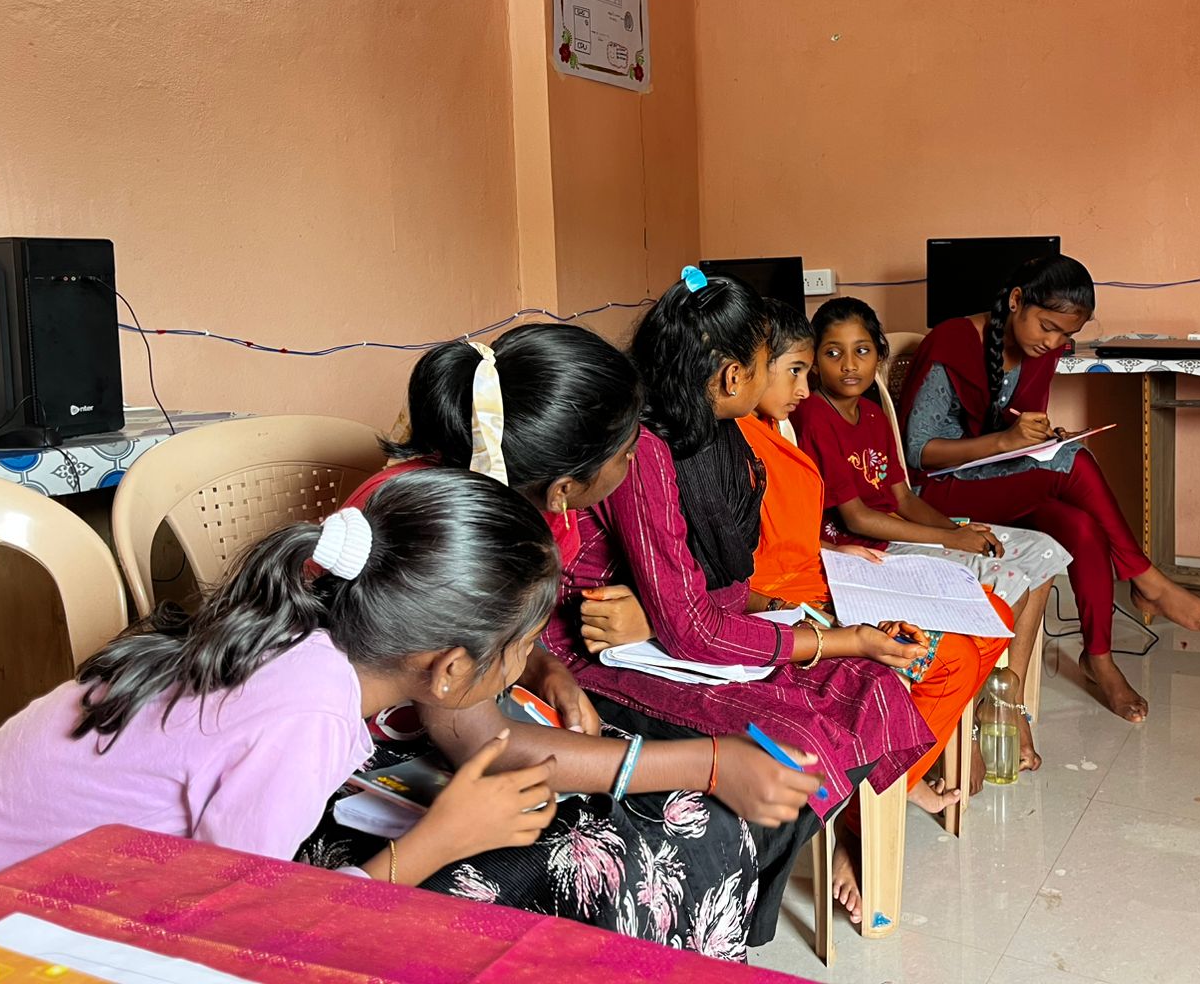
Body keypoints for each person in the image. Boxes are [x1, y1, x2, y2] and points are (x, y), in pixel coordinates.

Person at [303, 325, 825, 958]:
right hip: (357, 769)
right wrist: (710, 762)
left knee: (693, 820)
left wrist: (543, 667)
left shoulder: (503, 498)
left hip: (454, 713)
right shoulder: (447, 539)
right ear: (564, 490)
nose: (634, 467)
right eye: (626, 454)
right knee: (613, 860)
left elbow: (482, 652)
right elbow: (484, 743)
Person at [0, 469, 562, 890]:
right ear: (450, 669)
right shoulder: (306, 714)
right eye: (525, 645)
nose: (528, 661)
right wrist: (442, 839)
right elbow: (239, 913)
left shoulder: (291, 626)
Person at [546, 269, 933, 924]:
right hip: (598, 652)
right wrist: (840, 638)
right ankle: (762, 896)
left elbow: (712, 591)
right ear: (732, 378)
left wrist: (801, 626)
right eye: (769, 365)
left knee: (871, 684)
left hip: (664, 630)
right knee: (801, 735)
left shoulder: (715, 438)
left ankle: (843, 840)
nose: (791, 384)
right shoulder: (643, 451)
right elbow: (692, 629)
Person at [898, 254, 1200, 724]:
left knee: (1081, 526)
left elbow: (1015, 426)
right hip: (937, 492)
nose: (1054, 343)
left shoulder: (1041, 351)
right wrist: (1005, 442)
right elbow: (917, 453)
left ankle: (1099, 658)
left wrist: (1039, 439)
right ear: (1016, 300)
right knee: (1074, 464)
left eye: (1066, 335)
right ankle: (1147, 580)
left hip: (995, 481)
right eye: (1048, 327)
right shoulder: (952, 341)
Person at [789, 297, 1069, 772]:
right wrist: (949, 541)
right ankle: (976, 713)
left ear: (878, 355)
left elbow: (902, 498)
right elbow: (857, 519)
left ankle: (1008, 697)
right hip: (868, 550)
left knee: (1040, 553)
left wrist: (956, 528)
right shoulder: (815, 415)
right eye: (833, 353)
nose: (849, 364)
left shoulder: (873, 415)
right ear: (814, 361)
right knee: (1006, 580)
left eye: (861, 351)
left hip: (902, 530)